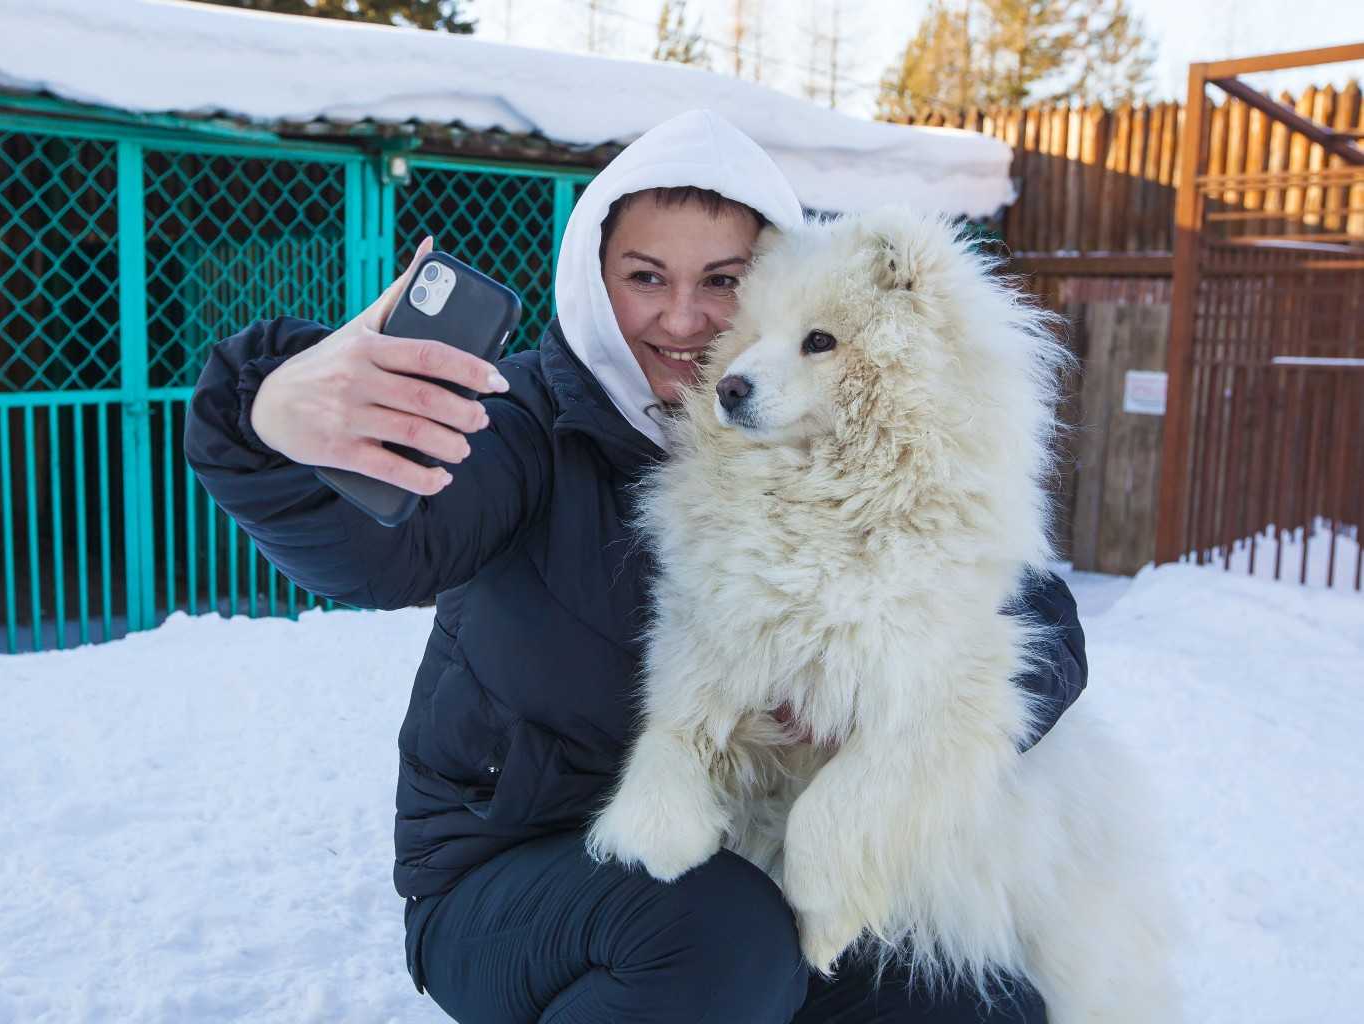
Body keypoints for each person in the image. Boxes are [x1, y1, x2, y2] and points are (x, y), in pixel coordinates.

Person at [184, 110, 1086, 1024]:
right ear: (593, 278)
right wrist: (265, 423)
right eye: (645, 278)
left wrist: (890, 712)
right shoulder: (524, 421)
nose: (684, 318)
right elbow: (377, 555)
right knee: (717, 934)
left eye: (723, 280)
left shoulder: (840, 436)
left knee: (980, 1008)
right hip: (515, 865)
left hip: (748, 854)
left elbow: (1034, 625)